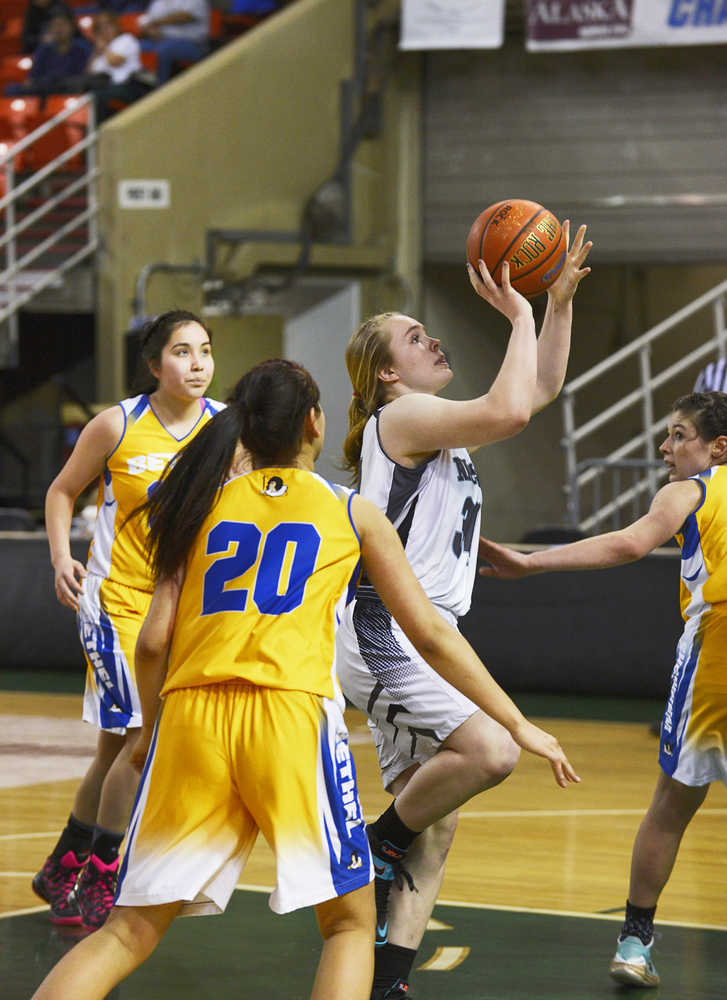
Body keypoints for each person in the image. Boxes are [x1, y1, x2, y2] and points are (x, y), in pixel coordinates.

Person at [32, 358, 578, 1000]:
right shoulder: (351, 512)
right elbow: (429, 635)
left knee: (127, 933)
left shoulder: (194, 502)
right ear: (314, 423)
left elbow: (152, 641)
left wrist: (148, 732)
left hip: (189, 719)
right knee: (349, 925)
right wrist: (517, 723)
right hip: (289, 720)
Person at [335, 223, 592, 999]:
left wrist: (556, 305)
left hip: (421, 632)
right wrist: (516, 316)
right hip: (387, 631)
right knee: (492, 751)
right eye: (417, 337)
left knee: (437, 823)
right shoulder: (401, 420)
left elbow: (537, 391)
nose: (435, 339)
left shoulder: (438, 434)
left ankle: (387, 981)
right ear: (387, 374)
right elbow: (513, 411)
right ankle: (367, 847)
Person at [479, 390, 727, 989]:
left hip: (713, 665)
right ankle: (636, 940)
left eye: (678, 435)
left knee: (671, 809)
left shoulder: (691, 491)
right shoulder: (690, 492)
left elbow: (627, 544)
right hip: (713, 663)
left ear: (718, 447)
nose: (665, 449)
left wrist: (532, 564)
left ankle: (636, 941)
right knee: (671, 807)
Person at [33, 310, 224, 932]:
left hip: (179, 606)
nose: (196, 363)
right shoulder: (118, 423)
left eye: (205, 350)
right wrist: (63, 555)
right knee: (142, 736)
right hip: (113, 601)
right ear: (153, 364)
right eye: (181, 351)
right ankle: (104, 873)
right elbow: (62, 491)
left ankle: (65, 863)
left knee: (116, 745)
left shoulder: (226, 430)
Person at [5, 10, 90, 97]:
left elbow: (84, 76)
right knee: (11, 89)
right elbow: (32, 78)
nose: (59, 29)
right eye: (55, 25)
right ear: (50, 29)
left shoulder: (82, 49)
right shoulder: (44, 50)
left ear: (72, 27)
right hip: (45, 89)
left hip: (70, 89)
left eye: (63, 24)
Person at [137, 0, 210, 84]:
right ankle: (143, 87)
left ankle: (161, 88)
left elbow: (184, 17)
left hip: (193, 44)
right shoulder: (158, 3)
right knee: (137, 47)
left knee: (165, 49)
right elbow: (148, 23)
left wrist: (156, 22)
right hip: (162, 40)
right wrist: (151, 31)